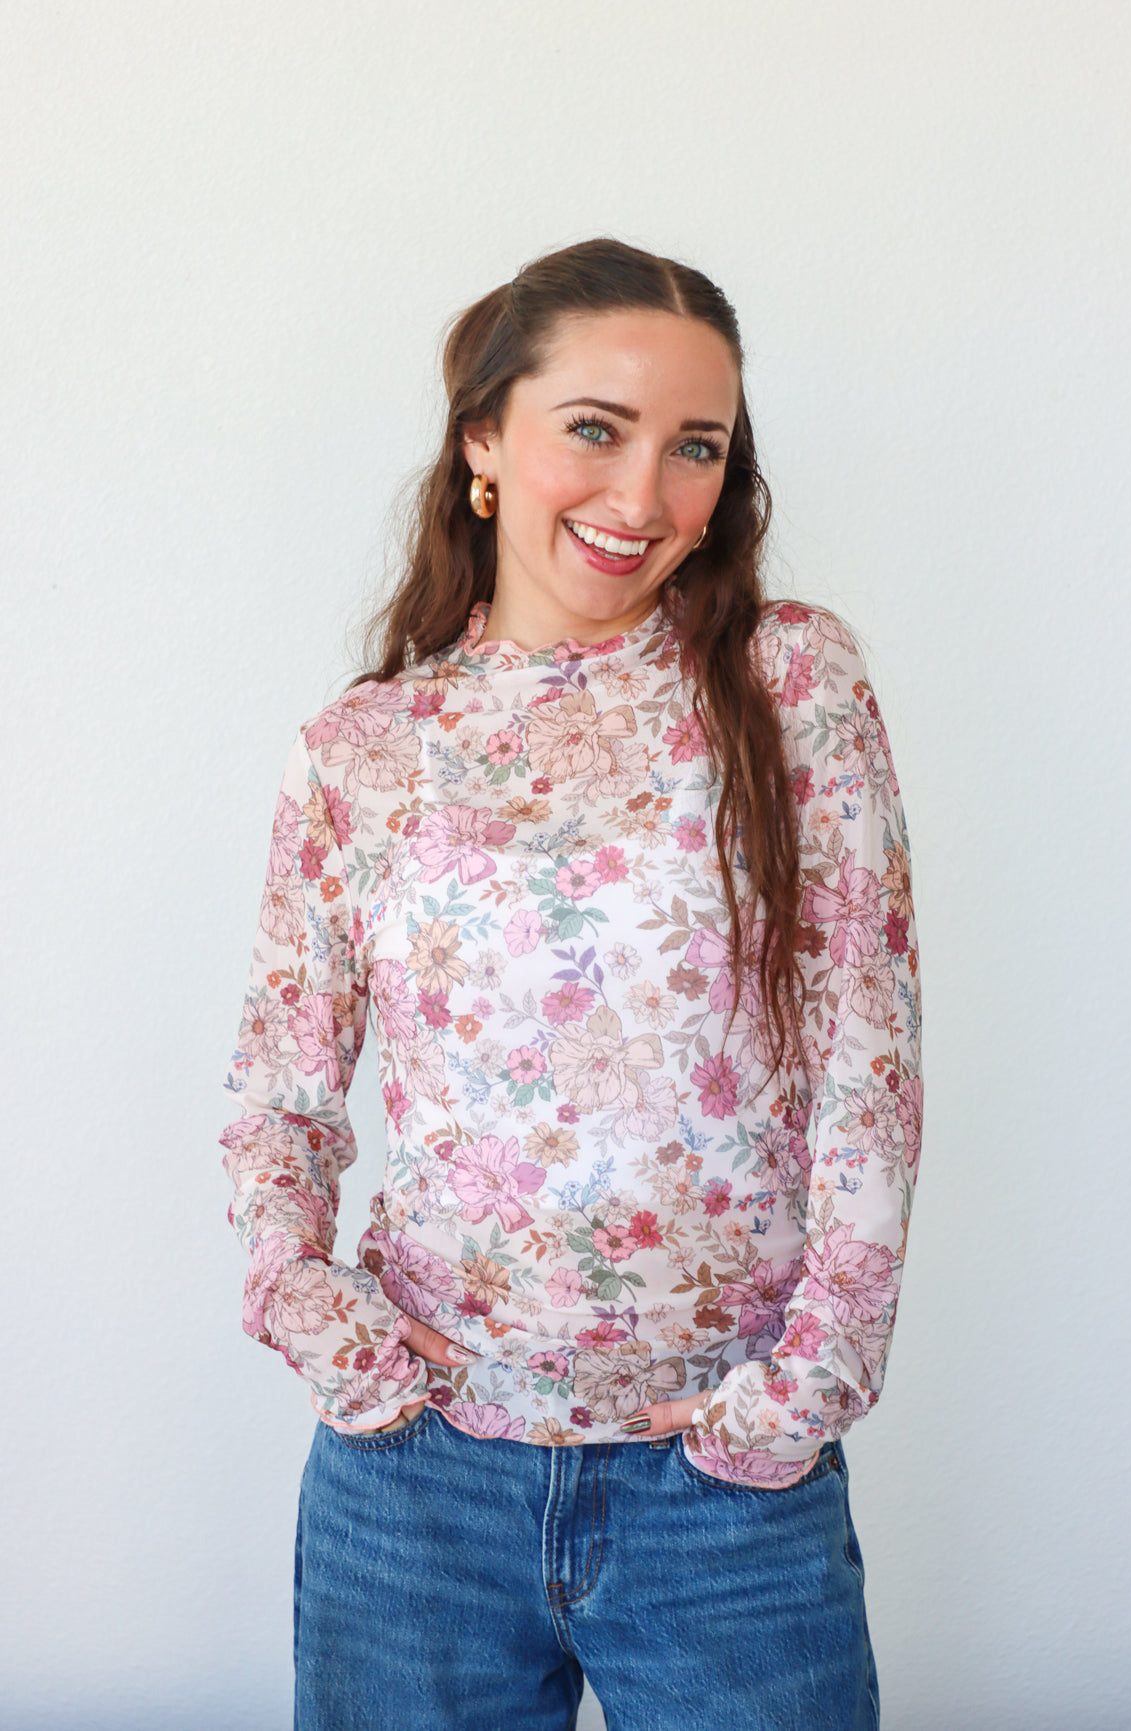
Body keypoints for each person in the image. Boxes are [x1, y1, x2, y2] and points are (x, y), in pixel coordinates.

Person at [221, 237, 922, 1731]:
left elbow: (867, 1056)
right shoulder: (366, 750)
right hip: (417, 1485)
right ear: (484, 437)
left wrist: (804, 1391)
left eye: (695, 451)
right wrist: (307, 1307)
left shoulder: (791, 685)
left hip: (723, 1483)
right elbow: (281, 1089)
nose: (642, 497)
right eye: (593, 430)